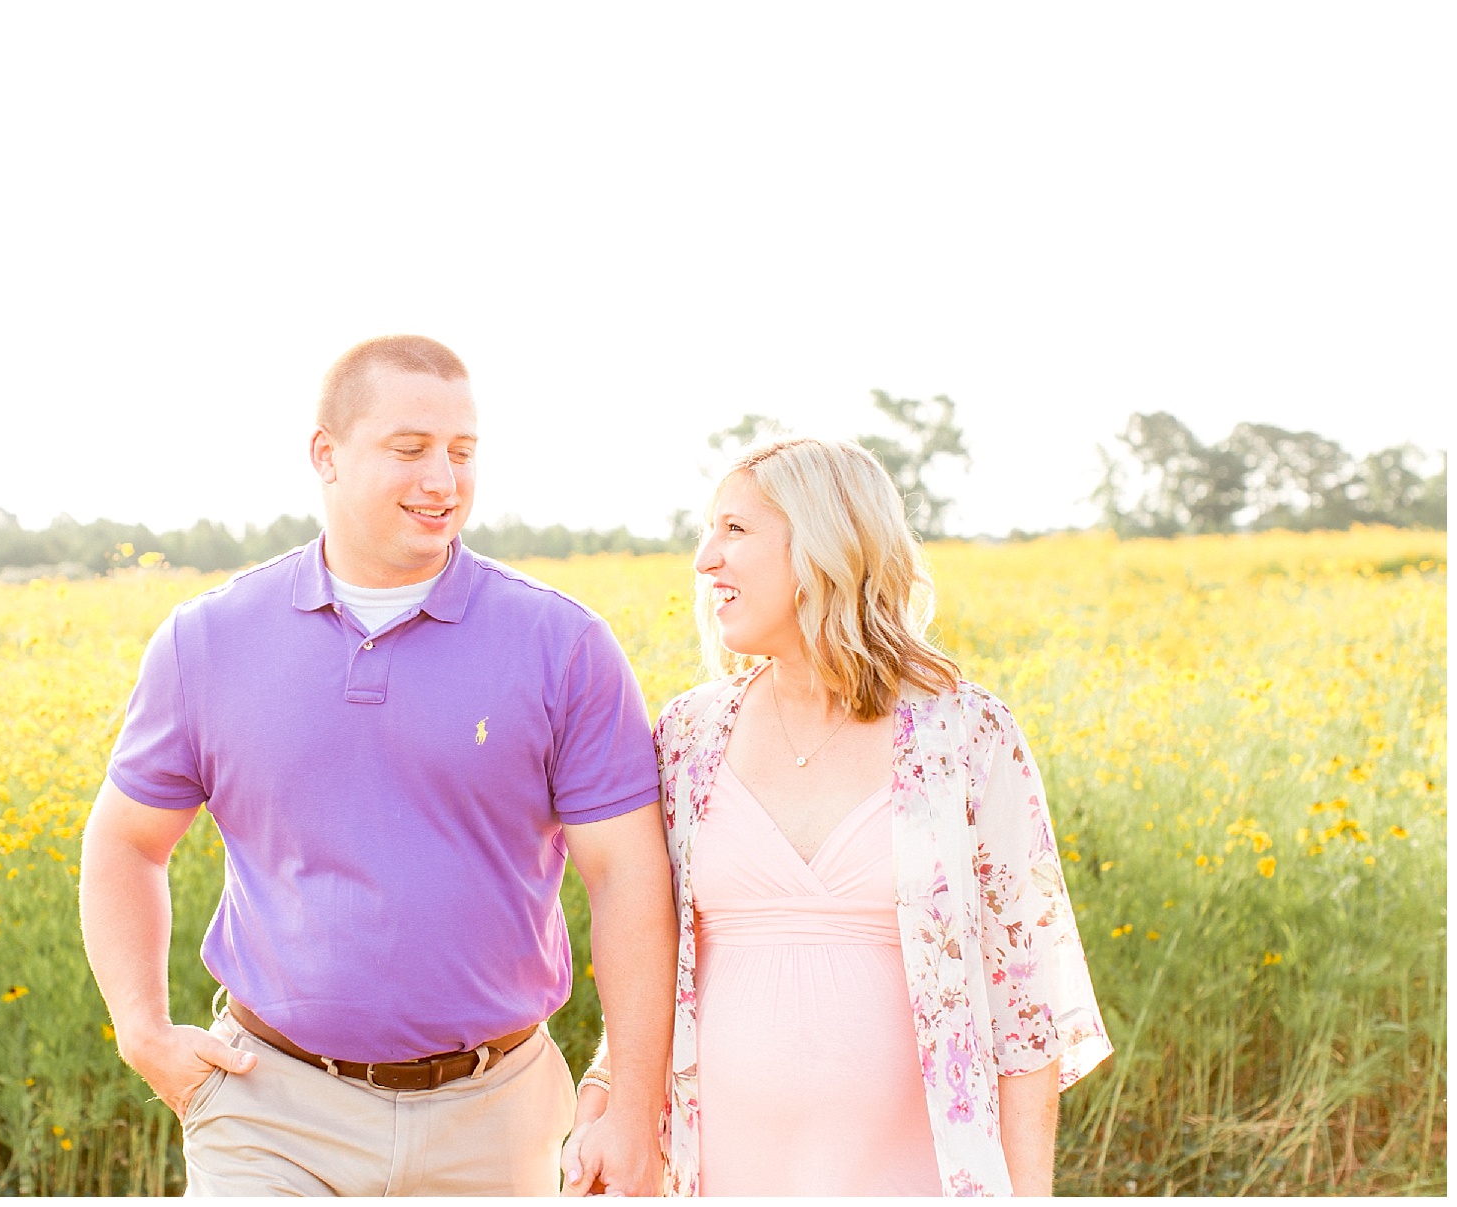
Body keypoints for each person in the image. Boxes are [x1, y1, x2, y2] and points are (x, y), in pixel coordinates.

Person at [79, 335, 677, 1196]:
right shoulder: (208, 640)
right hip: (268, 1113)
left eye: (462, 452)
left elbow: (626, 876)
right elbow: (126, 843)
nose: (444, 479)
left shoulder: (563, 645)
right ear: (325, 453)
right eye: (410, 450)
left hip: (497, 1115)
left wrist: (632, 1103)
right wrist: (142, 1031)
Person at [563, 437, 1112, 1196]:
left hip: (917, 1175)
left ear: (824, 545)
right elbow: (656, 953)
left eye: (735, 530)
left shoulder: (969, 735)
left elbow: (1026, 1003)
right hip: (720, 1167)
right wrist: (605, 1095)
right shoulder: (689, 735)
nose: (704, 560)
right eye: (707, 531)